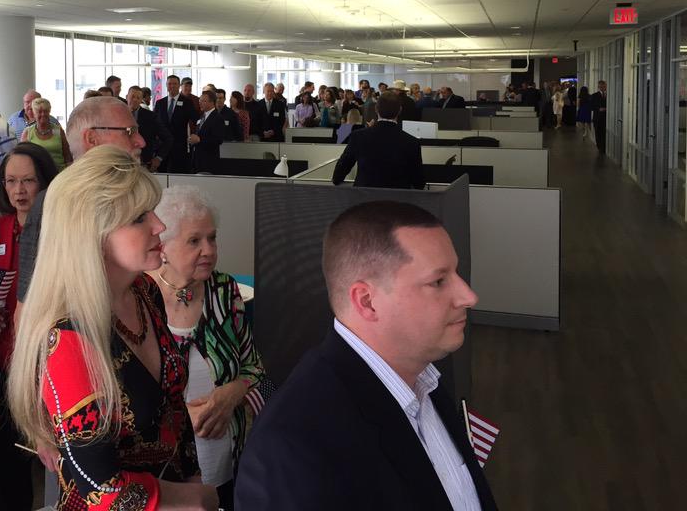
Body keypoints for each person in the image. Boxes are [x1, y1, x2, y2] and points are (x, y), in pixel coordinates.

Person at [236, 201, 497, 510]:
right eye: (438, 281)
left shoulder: (425, 381)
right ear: (367, 301)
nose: (469, 296)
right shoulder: (292, 447)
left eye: (456, 273)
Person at [7, 146, 218, 511]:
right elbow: (101, 490)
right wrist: (195, 498)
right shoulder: (67, 337)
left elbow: (174, 412)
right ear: (94, 235)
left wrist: (192, 479)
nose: (159, 226)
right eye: (139, 218)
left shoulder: (144, 291)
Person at [150, 186, 272, 510]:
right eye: (194, 241)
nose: (208, 250)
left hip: (228, 460)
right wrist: (176, 420)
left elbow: (257, 370)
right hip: (164, 473)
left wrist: (233, 393)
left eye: (212, 238)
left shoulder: (225, 291)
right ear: (163, 245)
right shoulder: (140, 297)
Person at [0, 143, 58, 511]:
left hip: (49, 361)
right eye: (10, 181)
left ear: (45, 184)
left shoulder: (62, 233)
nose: (18, 191)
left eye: (28, 181)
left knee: (56, 458)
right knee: (5, 459)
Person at [17, 96, 146, 303]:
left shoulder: (137, 195)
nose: (141, 141)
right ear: (92, 138)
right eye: (129, 131)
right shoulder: (52, 204)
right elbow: (27, 303)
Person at [332, 94, 424, 189]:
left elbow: (338, 174)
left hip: (363, 196)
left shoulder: (358, 136)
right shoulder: (412, 142)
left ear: (376, 109)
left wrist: (338, 180)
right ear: (400, 110)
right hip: (398, 197)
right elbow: (419, 183)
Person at [155, 74, 199, 174]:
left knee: (178, 174)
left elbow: (196, 120)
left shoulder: (187, 102)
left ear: (179, 86)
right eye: (169, 84)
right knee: (162, 174)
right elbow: (154, 124)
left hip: (179, 146)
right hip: (162, 147)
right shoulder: (160, 103)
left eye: (175, 84)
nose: (172, 86)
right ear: (166, 85)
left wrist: (195, 135)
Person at [20, 97, 73, 172]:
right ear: (34, 114)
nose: (43, 114)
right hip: (38, 175)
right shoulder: (27, 133)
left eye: (45, 111)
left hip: (59, 174)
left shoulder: (58, 130)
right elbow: (22, 157)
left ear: (49, 112)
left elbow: (67, 155)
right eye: (39, 112)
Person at [129, 85, 171, 171]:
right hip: (122, 162)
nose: (135, 99)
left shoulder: (151, 116)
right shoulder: (118, 114)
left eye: (138, 97)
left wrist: (158, 158)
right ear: (127, 97)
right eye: (132, 96)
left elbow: (168, 139)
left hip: (144, 164)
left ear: (141, 100)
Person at [189, 90, 223, 174]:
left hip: (208, 161)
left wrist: (199, 140)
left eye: (203, 101)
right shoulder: (202, 116)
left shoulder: (217, 118)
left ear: (212, 102)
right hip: (197, 160)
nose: (200, 103)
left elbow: (218, 140)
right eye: (200, 101)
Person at [591, 80, 607, 154]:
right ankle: (599, 147)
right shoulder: (594, 95)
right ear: (598, 87)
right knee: (598, 132)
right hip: (597, 118)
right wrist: (598, 109)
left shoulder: (609, 95)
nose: (603, 87)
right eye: (601, 86)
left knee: (604, 133)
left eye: (604, 86)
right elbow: (591, 106)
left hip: (606, 118)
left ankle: (604, 147)